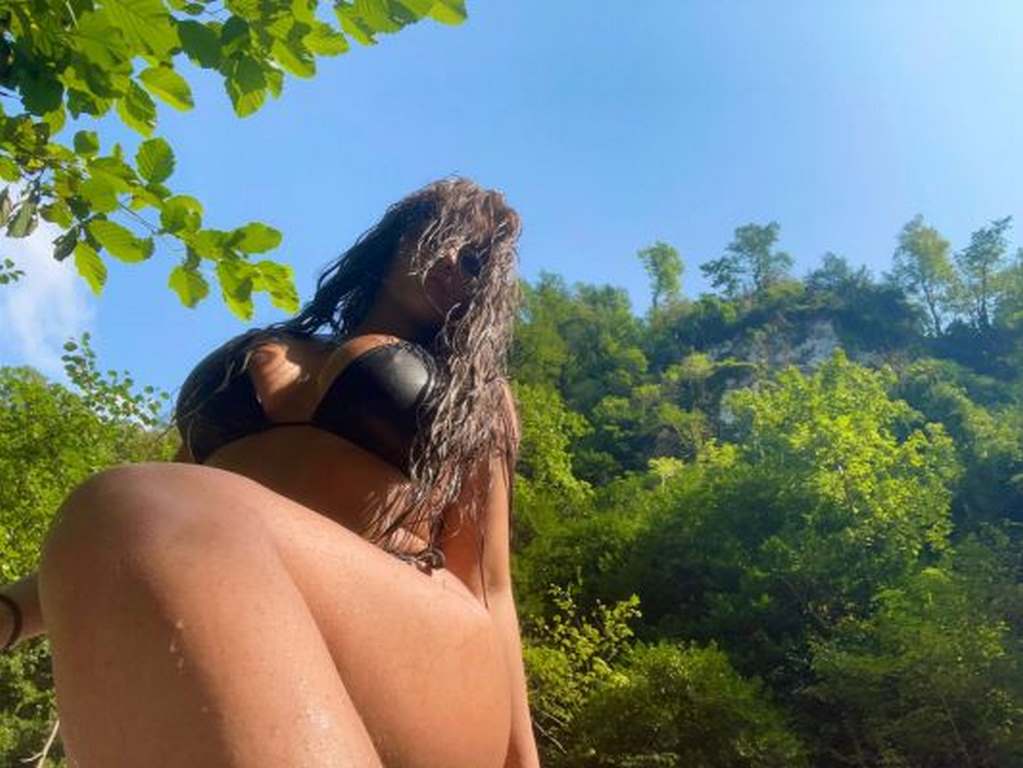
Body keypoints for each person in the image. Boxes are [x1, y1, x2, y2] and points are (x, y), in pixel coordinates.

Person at [0, 177, 542, 767]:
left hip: (418, 631)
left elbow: (489, 585)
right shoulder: (264, 359)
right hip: (233, 582)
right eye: (444, 235)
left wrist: (522, 761)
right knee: (135, 509)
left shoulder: (474, 392)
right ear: (400, 234)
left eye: (475, 260)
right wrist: (12, 614)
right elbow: (147, 537)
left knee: (137, 500)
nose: (453, 260)